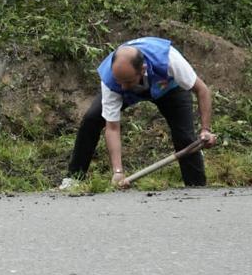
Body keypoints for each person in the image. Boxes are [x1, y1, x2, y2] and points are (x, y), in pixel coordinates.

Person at [61, 36, 217, 189]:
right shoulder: (112, 79)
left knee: (185, 137)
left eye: (127, 81)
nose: (122, 87)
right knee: (91, 119)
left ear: (143, 70)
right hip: (131, 92)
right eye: (119, 81)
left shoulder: (169, 59)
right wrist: (118, 172)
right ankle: (74, 178)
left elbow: (202, 90)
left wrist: (205, 130)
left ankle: (196, 187)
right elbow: (112, 127)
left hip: (168, 88)